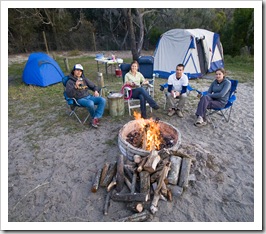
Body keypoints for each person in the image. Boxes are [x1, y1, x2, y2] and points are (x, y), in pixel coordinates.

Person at [65, 64, 106, 128]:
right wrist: (75, 87)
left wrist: (95, 91)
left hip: (89, 97)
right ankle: (93, 117)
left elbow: (94, 86)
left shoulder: (84, 79)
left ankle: (96, 118)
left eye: (81, 71)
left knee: (102, 100)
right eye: (77, 70)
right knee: (90, 103)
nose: (79, 72)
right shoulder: (69, 82)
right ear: (73, 71)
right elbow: (69, 94)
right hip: (79, 99)